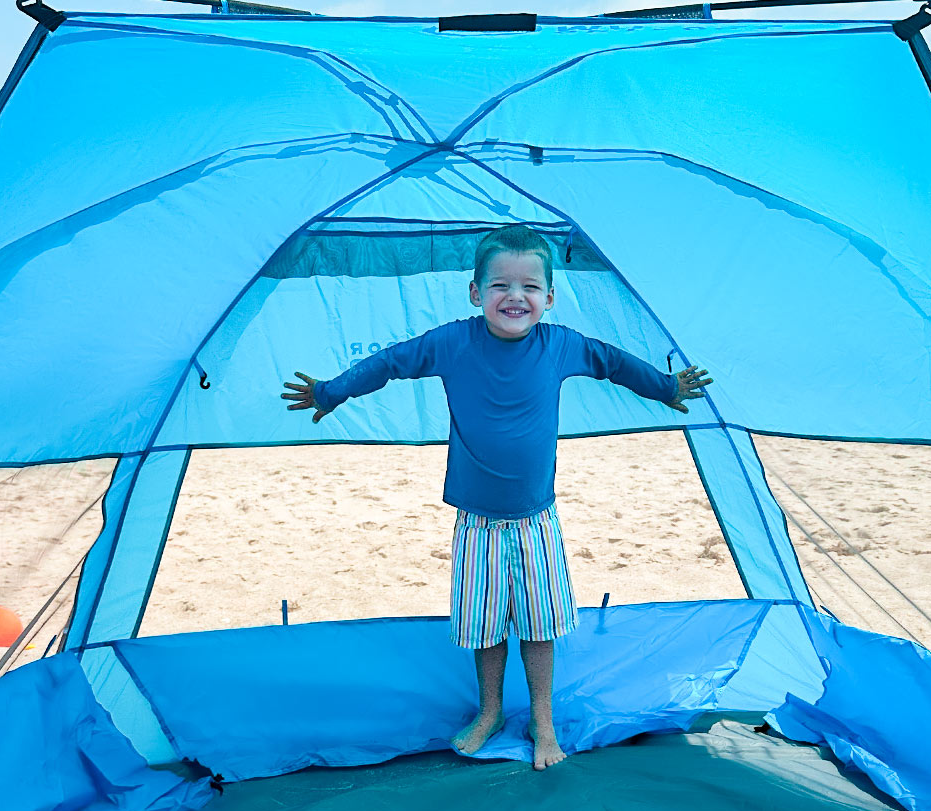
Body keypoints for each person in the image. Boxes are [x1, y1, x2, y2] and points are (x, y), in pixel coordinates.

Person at [282, 225, 712, 770]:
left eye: (530, 286)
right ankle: (489, 713)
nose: (515, 296)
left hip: (537, 521)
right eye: (500, 285)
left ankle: (543, 720)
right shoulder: (451, 343)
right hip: (477, 523)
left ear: (549, 298)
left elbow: (617, 364)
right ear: (475, 292)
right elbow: (389, 362)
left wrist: (667, 386)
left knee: (539, 626)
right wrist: (331, 391)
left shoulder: (561, 346)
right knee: (486, 627)